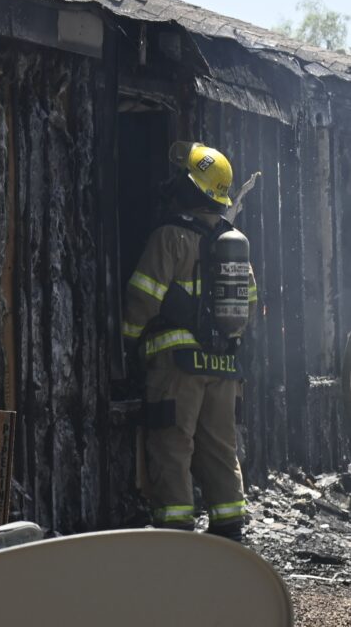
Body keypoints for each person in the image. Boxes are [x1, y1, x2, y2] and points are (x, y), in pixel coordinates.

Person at [122, 141, 257, 542]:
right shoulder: (233, 242)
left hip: (176, 365)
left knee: (172, 444)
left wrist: (127, 346)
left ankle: (176, 529)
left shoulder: (170, 237)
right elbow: (248, 303)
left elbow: (142, 298)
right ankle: (229, 527)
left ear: (190, 186)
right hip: (224, 364)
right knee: (220, 447)